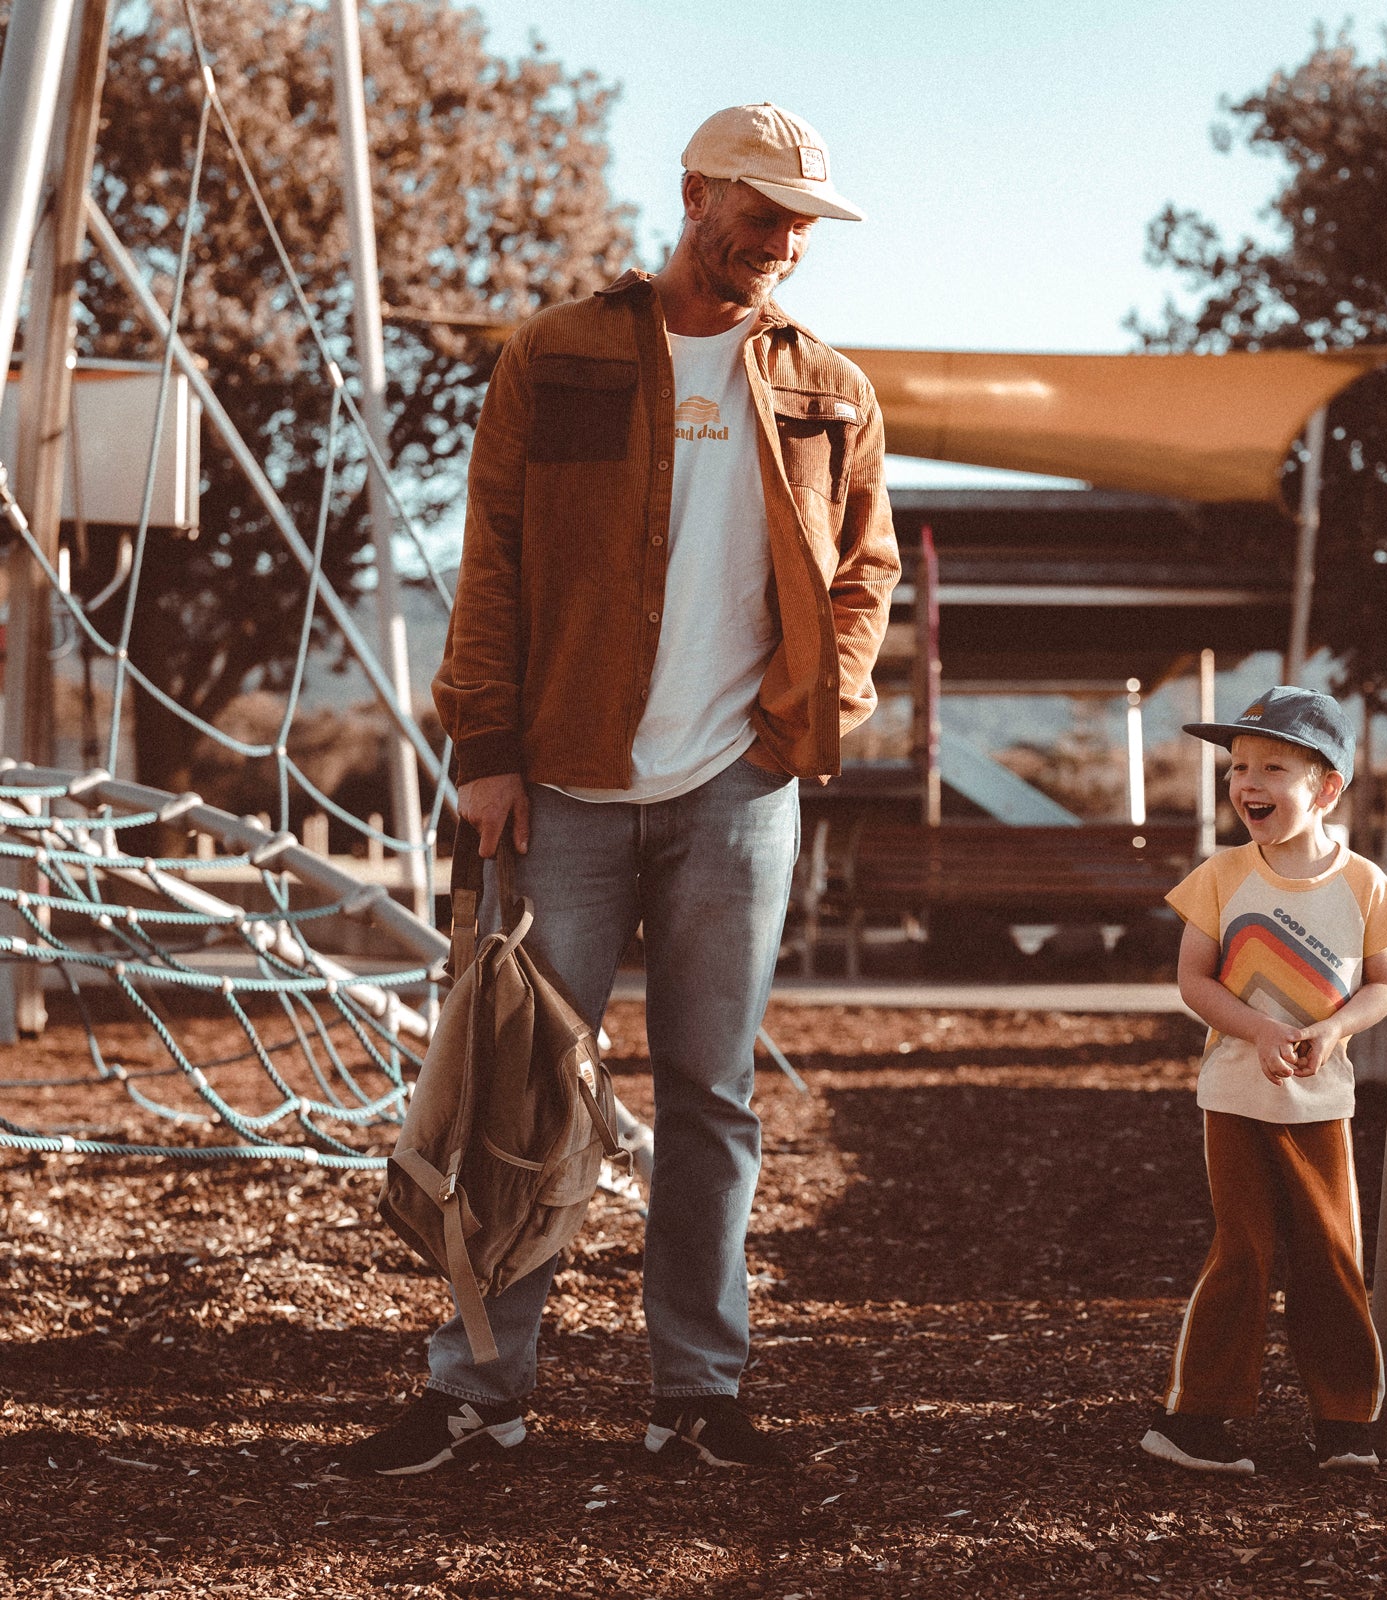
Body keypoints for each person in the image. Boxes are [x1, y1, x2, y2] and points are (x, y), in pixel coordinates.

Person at [341, 103, 899, 1476]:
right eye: (762, 213)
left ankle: (698, 1398)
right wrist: (484, 750)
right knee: (521, 1088)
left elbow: (865, 571)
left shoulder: (831, 388)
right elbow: (499, 562)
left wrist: (809, 709)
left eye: (801, 224)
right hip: (567, 784)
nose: (783, 244)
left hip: (742, 794)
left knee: (713, 1100)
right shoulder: (560, 354)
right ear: (697, 192)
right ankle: (480, 1386)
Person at [1139, 686, 1387, 1476]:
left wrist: (1333, 1030)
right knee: (1244, 1253)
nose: (1246, 783)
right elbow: (1194, 980)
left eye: (1271, 767)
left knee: (1331, 1254)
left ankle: (1343, 1425)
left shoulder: (1365, 884)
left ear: (1327, 788)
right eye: (1237, 767)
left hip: (1321, 1104)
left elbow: (1383, 985)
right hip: (1233, 1096)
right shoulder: (1221, 876)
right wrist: (1259, 1030)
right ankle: (1193, 1423)